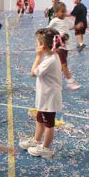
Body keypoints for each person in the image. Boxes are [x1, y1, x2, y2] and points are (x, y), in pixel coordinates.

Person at [19, 28, 63, 158]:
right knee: (40, 118)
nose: (36, 45)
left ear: (43, 46)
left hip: (49, 97)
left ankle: (46, 148)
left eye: (37, 43)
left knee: (49, 124)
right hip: (45, 95)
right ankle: (37, 140)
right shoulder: (52, 56)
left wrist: (38, 56)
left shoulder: (50, 60)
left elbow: (33, 72)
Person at [47, 2, 81, 90]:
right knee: (64, 65)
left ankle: (52, 82)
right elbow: (47, 29)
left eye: (65, 11)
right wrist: (56, 36)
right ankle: (70, 82)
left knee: (60, 66)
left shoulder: (66, 20)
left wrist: (77, 26)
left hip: (66, 47)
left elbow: (71, 26)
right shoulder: (54, 21)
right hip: (59, 46)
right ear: (56, 12)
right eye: (62, 11)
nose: (64, 13)